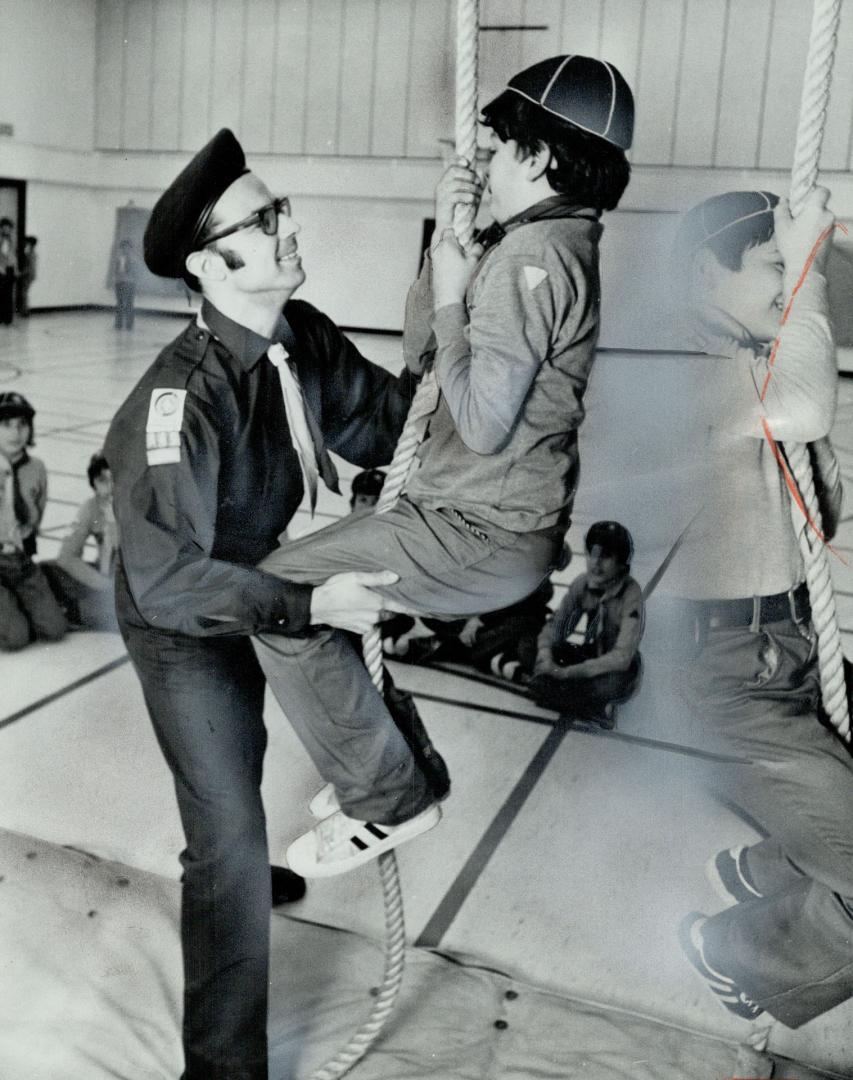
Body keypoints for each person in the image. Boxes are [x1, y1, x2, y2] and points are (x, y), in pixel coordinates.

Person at [104, 129, 445, 1080]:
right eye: (265, 219)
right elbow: (173, 580)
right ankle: (221, 1068)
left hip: (270, 584)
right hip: (183, 620)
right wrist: (310, 602)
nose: (290, 225)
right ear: (215, 265)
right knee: (225, 835)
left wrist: (449, 294)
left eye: (280, 207)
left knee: (255, 781)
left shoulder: (300, 338)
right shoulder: (179, 401)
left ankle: (246, 878)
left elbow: (389, 426)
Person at [251, 55, 635, 877]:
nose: (481, 168)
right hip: (471, 521)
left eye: (495, 151)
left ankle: (386, 796)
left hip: (476, 529)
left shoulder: (535, 260)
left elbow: (484, 421)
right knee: (312, 599)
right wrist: (446, 244)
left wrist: (462, 292)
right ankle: (394, 766)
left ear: (536, 158)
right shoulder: (539, 242)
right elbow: (427, 355)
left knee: (280, 598)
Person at [662, 188, 853, 1029]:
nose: (791, 281)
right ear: (706, 273)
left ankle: (768, 870)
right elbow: (806, 405)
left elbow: (826, 510)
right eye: (774, 264)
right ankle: (738, 948)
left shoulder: (752, 362)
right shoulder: (684, 368)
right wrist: (809, 280)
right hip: (730, 675)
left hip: (787, 646)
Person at [528, 521, 643, 727]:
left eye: (606, 557)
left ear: (621, 563)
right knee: (530, 647)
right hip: (587, 655)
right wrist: (545, 653)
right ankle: (591, 706)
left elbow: (622, 657)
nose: (595, 563)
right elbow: (557, 627)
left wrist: (567, 673)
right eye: (591, 553)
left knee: (614, 685)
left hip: (612, 667)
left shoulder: (631, 594)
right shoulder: (583, 583)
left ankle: (568, 693)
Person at [0, 392, 68, 650]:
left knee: (55, 629)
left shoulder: (36, 468)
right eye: (6, 425)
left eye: (22, 424)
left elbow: (35, 516)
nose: (15, 433)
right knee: (17, 638)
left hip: (19, 560)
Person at [41, 451, 119, 630]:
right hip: (106, 580)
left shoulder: (138, 506)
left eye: (116, 479)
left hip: (132, 586)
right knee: (47, 570)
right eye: (102, 480)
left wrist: (113, 524)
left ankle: (74, 611)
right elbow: (67, 556)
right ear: (93, 484)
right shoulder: (91, 507)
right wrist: (102, 584)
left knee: (119, 613)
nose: (110, 487)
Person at [114, 238, 137, 330]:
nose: (125, 249)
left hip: (130, 283)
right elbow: (116, 270)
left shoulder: (134, 259)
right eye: (123, 247)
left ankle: (129, 325)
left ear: (130, 248)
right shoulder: (119, 259)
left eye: (127, 247)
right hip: (119, 282)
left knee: (129, 304)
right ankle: (118, 324)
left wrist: (131, 279)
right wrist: (117, 278)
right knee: (119, 303)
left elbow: (136, 272)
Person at [0, 218, 16, 325]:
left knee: (8, 294)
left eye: (8, 228)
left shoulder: (12, 240)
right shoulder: (1, 240)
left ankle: (7, 319)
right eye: (4, 228)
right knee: (1, 294)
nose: (6, 230)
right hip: (1, 269)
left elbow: (11, 256)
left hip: (9, 269)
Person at [16, 235, 37, 317]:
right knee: (25, 292)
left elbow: (29, 267)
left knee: (24, 293)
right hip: (30, 274)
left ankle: (25, 311)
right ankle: (24, 310)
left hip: (28, 275)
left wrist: (21, 273)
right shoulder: (32, 253)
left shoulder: (31, 254)